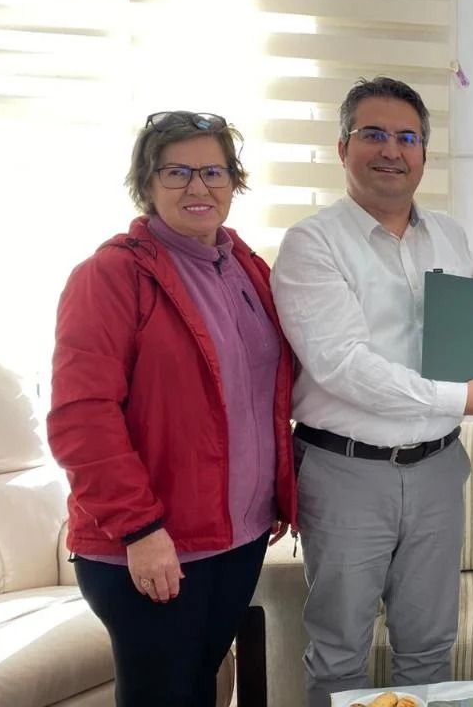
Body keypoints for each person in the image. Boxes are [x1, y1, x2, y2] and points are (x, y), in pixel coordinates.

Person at [271, 76, 473, 706]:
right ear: (342, 147)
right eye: (373, 134)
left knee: (430, 648)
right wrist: (457, 399)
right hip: (345, 473)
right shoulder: (312, 243)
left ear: (424, 154)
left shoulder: (450, 235)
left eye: (407, 138)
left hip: (438, 468)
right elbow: (342, 365)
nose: (391, 150)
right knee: (339, 653)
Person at [48, 110, 297, 706]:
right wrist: (140, 529)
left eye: (213, 171)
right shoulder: (110, 275)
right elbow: (81, 416)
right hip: (151, 544)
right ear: (147, 183)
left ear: (234, 181)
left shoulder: (248, 269)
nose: (197, 186)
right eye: (176, 172)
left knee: (199, 688)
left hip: (238, 539)